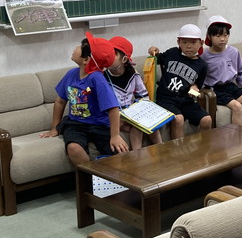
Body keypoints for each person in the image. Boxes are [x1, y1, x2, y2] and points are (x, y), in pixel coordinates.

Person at [40, 32, 129, 167]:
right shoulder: (71, 74)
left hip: (100, 125)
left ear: (86, 60)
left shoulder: (97, 79)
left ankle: (108, 175)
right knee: (73, 148)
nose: (76, 47)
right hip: (75, 124)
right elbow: (60, 101)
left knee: (118, 152)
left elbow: (113, 108)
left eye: (81, 47)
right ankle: (90, 175)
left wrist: (115, 136)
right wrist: (54, 128)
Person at [148, 24, 212, 139]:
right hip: (166, 98)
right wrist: (153, 51)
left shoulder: (202, 65)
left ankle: (202, 147)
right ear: (178, 42)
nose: (188, 46)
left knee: (207, 120)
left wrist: (194, 89)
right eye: (184, 42)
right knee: (179, 119)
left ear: (201, 43)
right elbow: (157, 57)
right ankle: (178, 149)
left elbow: (197, 86)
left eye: (193, 42)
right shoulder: (172, 53)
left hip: (186, 100)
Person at [202, 15, 242, 125]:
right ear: (209, 36)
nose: (222, 39)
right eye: (218, 36)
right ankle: (238, 135)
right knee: (237, 107)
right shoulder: (204, 55)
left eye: (225, 35)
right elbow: (199, 76)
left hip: (231, 86)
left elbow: (241, 71)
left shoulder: (233, 52)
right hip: (215, 89)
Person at [106, 36, 162, 150]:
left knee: (149, 125)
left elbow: (143, 95)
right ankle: (136, 155)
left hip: (132, 114)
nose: (109, 56)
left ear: (124, 59)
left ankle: (162, 149)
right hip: (115, 117)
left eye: (114, 54)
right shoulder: (103, 77)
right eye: (107, 53)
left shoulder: (133, 74)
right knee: (137, 126)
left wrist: (141, 110)